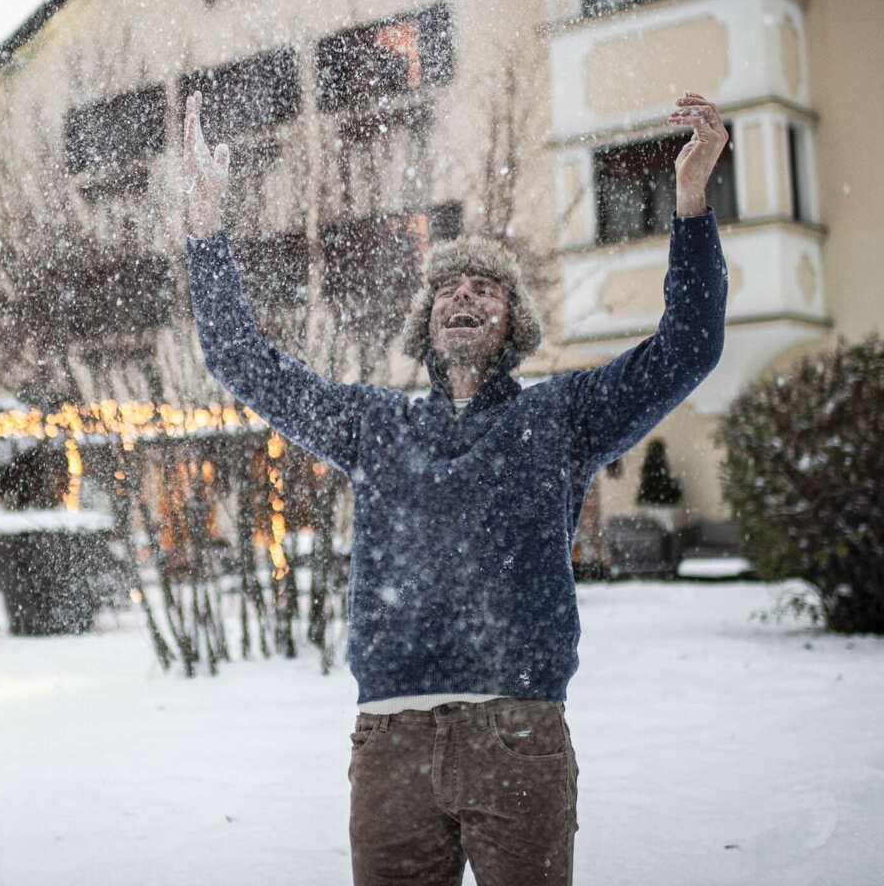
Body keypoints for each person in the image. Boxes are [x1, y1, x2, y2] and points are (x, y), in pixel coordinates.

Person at [182, 89, 729, 885]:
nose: (464, 295)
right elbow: (245, 363)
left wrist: (689, 203)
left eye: (487, 288)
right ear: (425, 322)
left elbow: (688, 347)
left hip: (519, 734)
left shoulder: (560, 419)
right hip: (390, 744)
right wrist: (205, 229)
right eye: (447, 287)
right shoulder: (374, 425)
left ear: (514, 324)